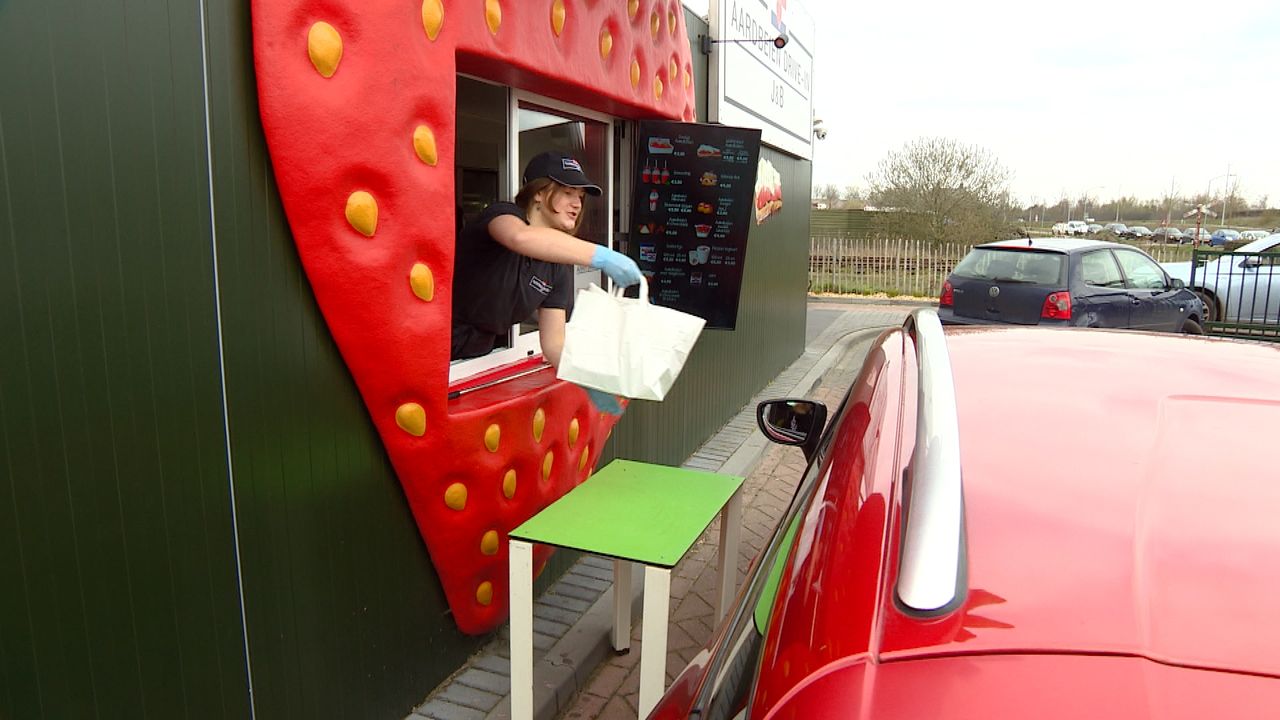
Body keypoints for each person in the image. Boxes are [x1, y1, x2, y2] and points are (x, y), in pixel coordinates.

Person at [451, 151, 641, 410]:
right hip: (431, 349)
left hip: (473, 362)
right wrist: (601, 256)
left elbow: (553, 343)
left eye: (581, 198)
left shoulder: (557, 265)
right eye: (567, 193)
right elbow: (520, 238)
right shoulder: (501, 215)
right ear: (538, 192)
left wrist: (590, 380)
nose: (577, 204)